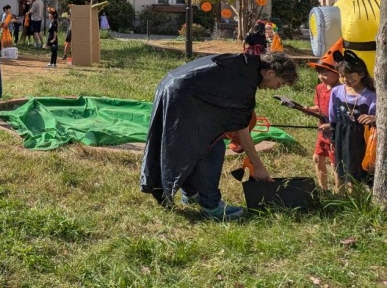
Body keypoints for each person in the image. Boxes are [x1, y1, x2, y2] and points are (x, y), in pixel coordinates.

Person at [141, 50, 298, 221]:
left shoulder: (245, 66)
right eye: (280, 83)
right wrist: (258, 166)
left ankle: (192, 194)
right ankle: (211, 205)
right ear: (270, 73)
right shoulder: (244, 82)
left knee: (187, 145)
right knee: (211, 148)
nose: (276, 88)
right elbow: (242, 130)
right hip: (183, 95)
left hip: (173, 85)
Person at [326, 50, 376, 188]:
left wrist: (374, 118)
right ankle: (345, 195)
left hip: (362, 137)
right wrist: (333, 137)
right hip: (342, 134)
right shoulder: (337, 92)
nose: (346, 80)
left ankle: (361, 195)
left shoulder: (371, 95)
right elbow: (332, 116)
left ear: (361, 74)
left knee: (360, 169)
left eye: (350, 76)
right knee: (343, 166)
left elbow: (378, 117)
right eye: (342, 76)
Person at [304, 50, 341, 191]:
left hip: (335, 132)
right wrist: (309, 109)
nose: (321, 77)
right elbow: (319, 107)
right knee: (317, 158)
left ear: (337, 73)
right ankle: (323, 189)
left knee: (335, 164)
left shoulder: (341, 90)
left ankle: (340, 193)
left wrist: (332, 125)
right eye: (319, 73)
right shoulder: (319, 88)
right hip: (322, 131)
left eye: (325, 73)